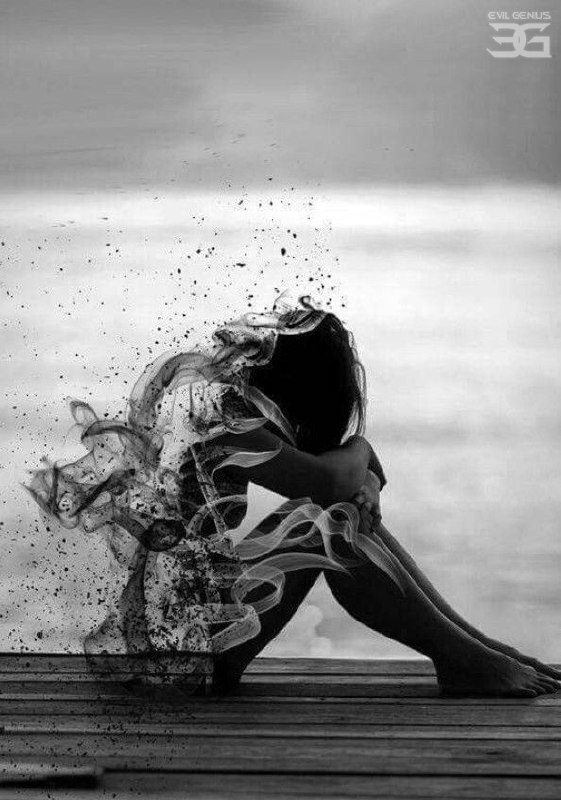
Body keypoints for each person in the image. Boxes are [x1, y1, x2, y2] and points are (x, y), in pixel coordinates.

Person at [26, 294, 560, 696]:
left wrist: (364, 479)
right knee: (327, 526)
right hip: (177, 658)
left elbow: (337, 479)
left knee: (326, 515)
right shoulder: (226, 426)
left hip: (185, 636)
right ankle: (466, 658)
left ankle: (475, 650)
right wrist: (362, 449)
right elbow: (330, 481)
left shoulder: (231, 411)